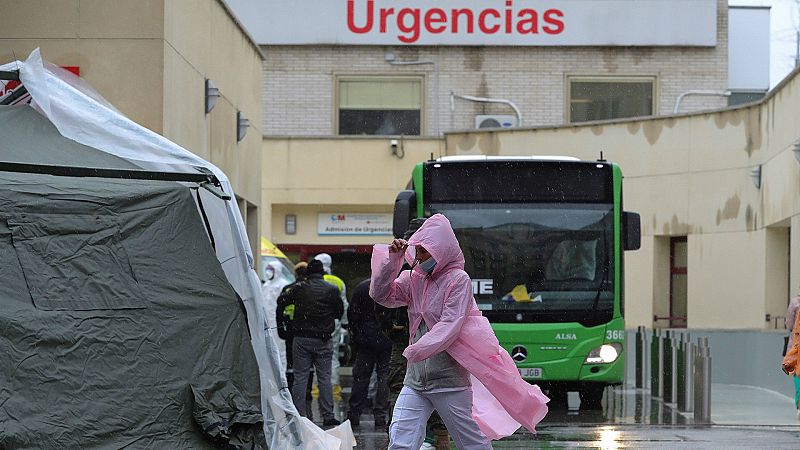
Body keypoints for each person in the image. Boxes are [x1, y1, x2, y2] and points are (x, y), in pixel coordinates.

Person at [370, 213, 549, 449]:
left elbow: (450, 325)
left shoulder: (458, 279)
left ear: (442, 250)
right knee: (401, 439)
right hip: (415, 380)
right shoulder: (414, 278)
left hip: (448, 380)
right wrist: (393, 260)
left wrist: (415, 350)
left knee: (470, 442)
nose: (421, 257)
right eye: (418, 251)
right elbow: (382, 294)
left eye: (425, 252)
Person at [277, 259, 343, 428]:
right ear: (323, 273)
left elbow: (281, 302)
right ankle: (328, 415)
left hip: (301, 339)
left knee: (300, 377)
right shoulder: (332, 289)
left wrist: (282, 327)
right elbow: (339, 313)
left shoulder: (299, 289)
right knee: (324, 378)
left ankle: (300, 414)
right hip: (323, 339)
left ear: (307, 273)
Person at [346, 278, 392, 429]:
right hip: (386, 340)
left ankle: (354, 413)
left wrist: (357, 333)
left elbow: (352, 314)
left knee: (361, 377)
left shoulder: (362, 287)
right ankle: (380, 415)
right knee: (384, 377)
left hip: (365, 341)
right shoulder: (391, 285)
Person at [314, 253, 348, 400]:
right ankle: (333, 390)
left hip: (315, 324)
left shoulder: (314, 280)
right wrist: (344, 323)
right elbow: (344, 306)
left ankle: (316, 390)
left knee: (315, 357)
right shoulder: (338, 282)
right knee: (332, 356)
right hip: (333, 323)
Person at [262, 260, 293, 375]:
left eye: (271, 270)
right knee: (268, 347)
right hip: (267, 321)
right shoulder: (266, 285)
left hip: (277, 321)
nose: (268, 272)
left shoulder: (283, 285)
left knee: (280, 349)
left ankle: (282, 373)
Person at [782, 288, 800, 417]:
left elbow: (789, 325)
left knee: (798, 378)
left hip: (796, 347)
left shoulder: (795, 303)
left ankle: (799, 406)